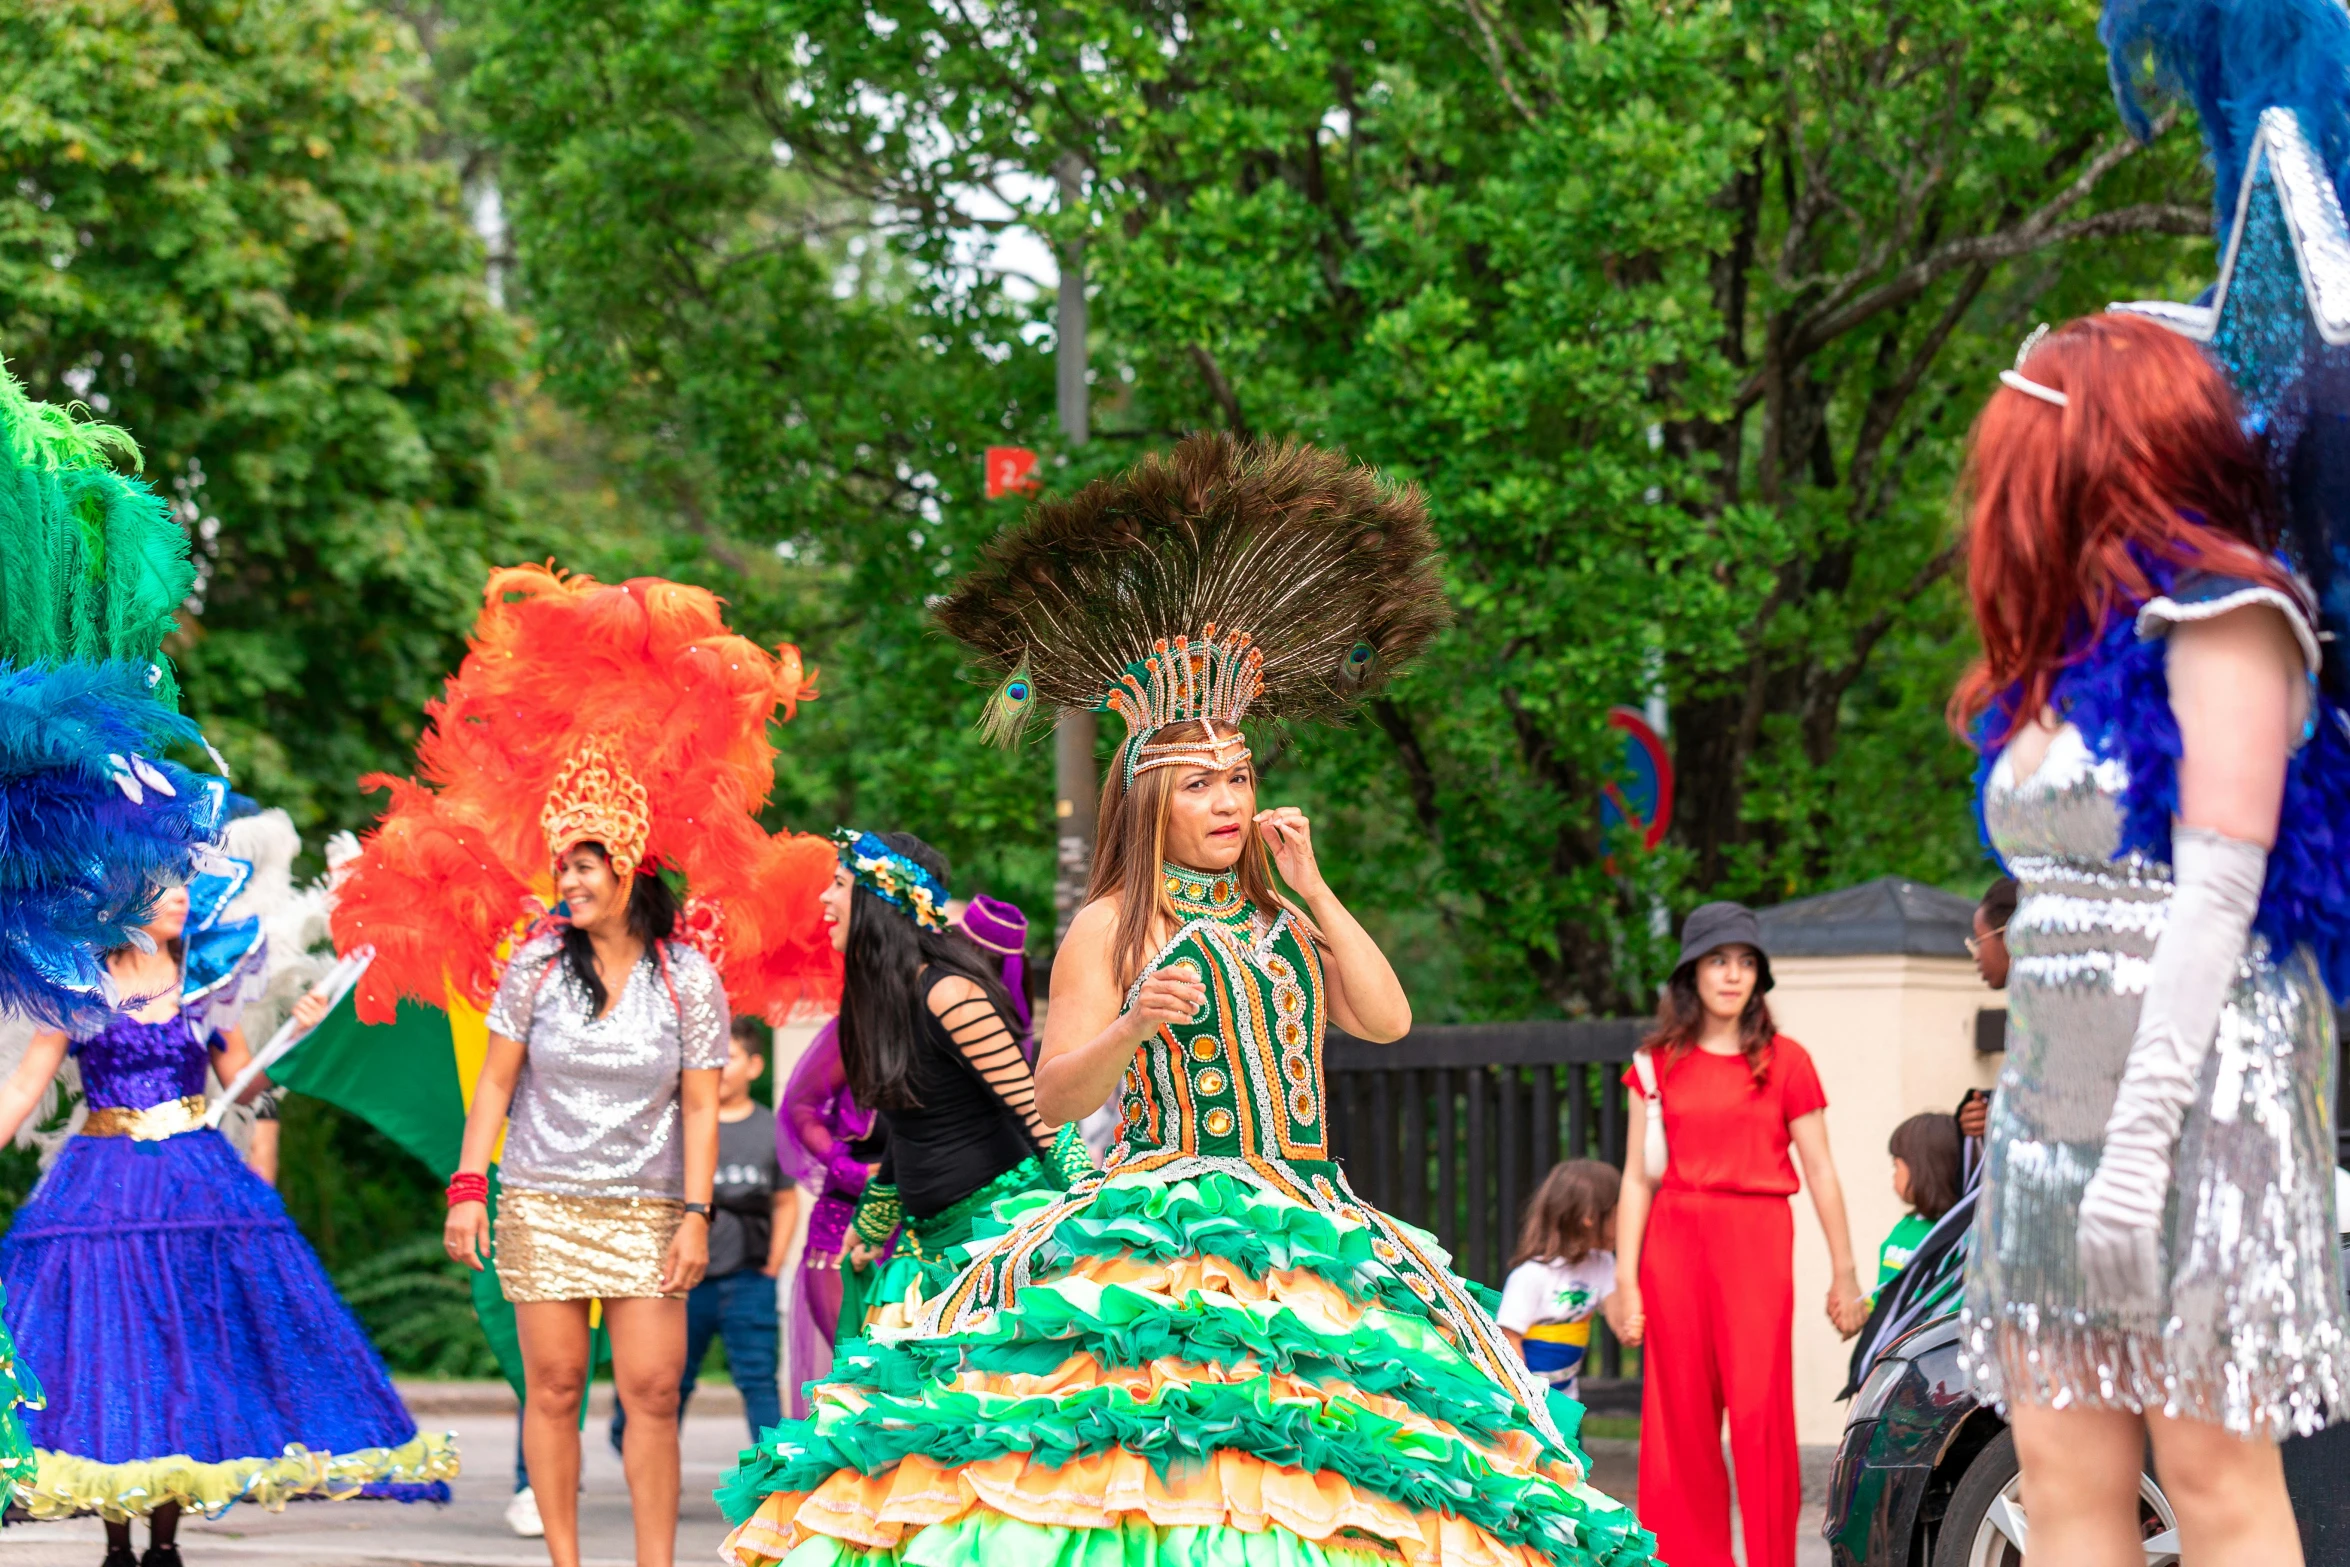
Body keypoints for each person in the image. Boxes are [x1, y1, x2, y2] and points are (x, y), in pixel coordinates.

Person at [716, 433, 1655, 1567]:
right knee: (1174, 1476)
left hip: (1316, 1225)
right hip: (1158, 1217)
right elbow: (1052, 1096)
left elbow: (1386, 1020)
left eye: (1242, 774)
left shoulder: (1282, 914)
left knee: (1335, 1479)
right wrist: (1131, 1025)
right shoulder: (1113, 923)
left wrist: (1311, 884)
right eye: (1202, 780)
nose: (1228, 797)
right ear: (1150, 798)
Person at [1952, 313, 2350, 1566]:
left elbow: (2216, 897)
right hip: (2048, 1101)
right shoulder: (2069, 649)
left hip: (2192, 1105)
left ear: (2103, 443)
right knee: (2062, 1472)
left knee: (2209, 1474)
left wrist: (2137, 1149)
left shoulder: (2232, 613)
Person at [0, 886, 456, 1563]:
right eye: (162, 885)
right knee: (115, 1351)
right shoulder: (81, 984)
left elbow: (245, 1083)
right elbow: (22, 1085)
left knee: (188, 1354)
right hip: (105, 1187)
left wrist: (298, 1033)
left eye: (185, 881)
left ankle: (165, 1544)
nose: (182, 895)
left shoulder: (206, 980)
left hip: (194, 1185)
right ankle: (117, 1542)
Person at [445, 828, 724, 1567]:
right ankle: (565, 1560)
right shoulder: (535, 965)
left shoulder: (688, 976)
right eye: (562, 867)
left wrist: (696, 1215)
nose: (567, 881)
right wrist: (469, 1188)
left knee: (655, 1391)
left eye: (584, 867)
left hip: (651, 1209)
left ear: (632, 873)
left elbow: (701, 1106)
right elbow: (496, 1083)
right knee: (557, 1385)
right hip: (541, 1202)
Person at [1612, 900, 1866, 1567]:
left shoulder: (1787, 1060)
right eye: (1719, 960)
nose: (1733, 974)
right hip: (1673, 1241)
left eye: (1746, 961)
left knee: (1760, 1415)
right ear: (1691, 972)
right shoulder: (1654, 1062)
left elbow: (1822, 1171)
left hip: (1756, 1240)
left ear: (1760, 976)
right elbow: (1637, 1178)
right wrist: (1625, 1279)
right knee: (1680, 1423)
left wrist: (1845, 1271)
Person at [824, 829, 1092, 1336]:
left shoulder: (950, 992)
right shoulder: (879, 1001)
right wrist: (872, 1223)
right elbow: (909, 1128)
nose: (824, 897)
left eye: (837, 884)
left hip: (997, 1238)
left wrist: (1094, 1208)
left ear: (879, 899)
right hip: (924, 1245)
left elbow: (1036, 1111)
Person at [612, 1016, 798, 1452]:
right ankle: (644, 1453)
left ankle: (777, 1468)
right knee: (669, 1378)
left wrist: (774, 1264)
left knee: (757, 1377)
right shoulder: (680, 1126)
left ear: (754, 1066)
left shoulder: (773, 1129)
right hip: (680, 1278)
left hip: (749, 1277)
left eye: (729, 1057)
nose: (719, 1067)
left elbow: (786, 1201)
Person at [773, 1018, 874, 1415]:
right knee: (855, 1378)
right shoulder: (857, 1025)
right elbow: (801, 1105)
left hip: (929, 1218)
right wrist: (847, 1169)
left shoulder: (960, 1008)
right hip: (844, 1218)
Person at [1497, 1159, 1622, 1403]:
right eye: (1621, 1212)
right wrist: (1526, 1401)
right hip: (1529, 1405)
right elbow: (1509, 1339)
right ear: (1590, 1217)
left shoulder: (1602, 1264)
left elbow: (1620, 1319)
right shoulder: (1530, 1276)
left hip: (1567, 1400)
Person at [1875, 1112, 1962, 1298]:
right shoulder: (1904, 1228)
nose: (1893, 1175)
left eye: (1896, 1166)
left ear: (1922, 1170)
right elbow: (1881, 1295)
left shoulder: (1957, 1236)